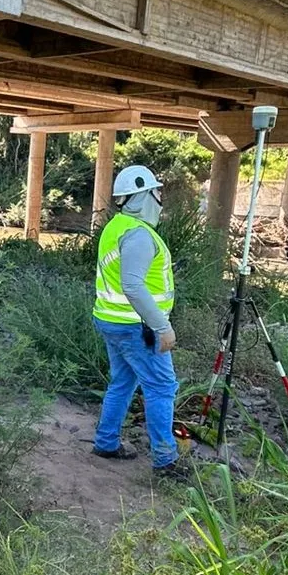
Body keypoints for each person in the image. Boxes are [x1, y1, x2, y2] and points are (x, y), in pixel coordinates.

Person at [91, 164, 185, 480]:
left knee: (123, 382)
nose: (160, 197)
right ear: (143, 195)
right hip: (136, 328)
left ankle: (106, 442)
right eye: (156, 191)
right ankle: (166, 460)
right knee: (161, 387)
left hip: (112, 321)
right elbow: (132, 283)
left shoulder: (116, 226)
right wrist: (162, 326)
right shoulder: (139, 235)